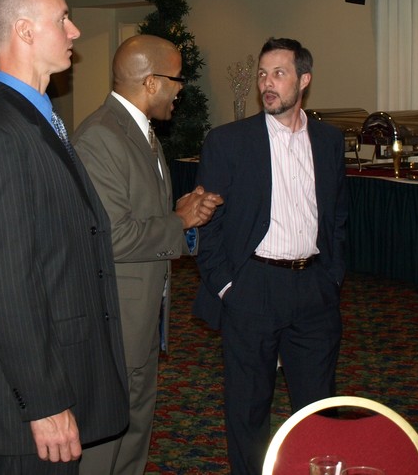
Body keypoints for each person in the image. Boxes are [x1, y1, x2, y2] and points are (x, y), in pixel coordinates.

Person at [0, 0, 129, 474]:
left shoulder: (37, 117)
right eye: (63, 18)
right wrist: (44, 402)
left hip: (61, 372)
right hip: (27, 404)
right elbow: (6, 284)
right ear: (25, 31)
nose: (74, 31)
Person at [193, 37, 348, 475]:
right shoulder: (228, 142)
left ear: (304, 80)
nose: (267, 83)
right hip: (253, 287)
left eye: (279, 74)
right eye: (263, 74)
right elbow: (207, 224)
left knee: (318, 406)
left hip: (315, 289)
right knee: (248, 408)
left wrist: (332, 275)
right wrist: (227, 287)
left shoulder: (329, 140)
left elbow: (337, 215)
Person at [72, 34, 224, 475]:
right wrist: (178, 221)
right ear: (151, 82)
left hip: (139, 316)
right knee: (105, 441)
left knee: (135, 430)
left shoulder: (140, 131)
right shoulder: (101, 137)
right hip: (114, 319)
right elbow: (110, 237)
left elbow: (140, 217)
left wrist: (182, 216)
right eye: (177, 80)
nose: (182, 90)